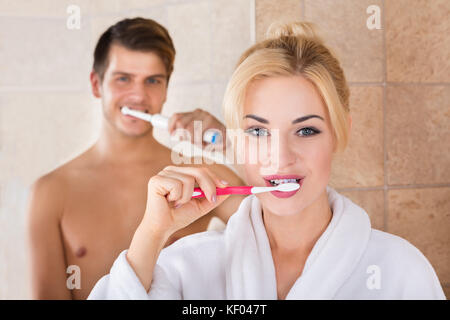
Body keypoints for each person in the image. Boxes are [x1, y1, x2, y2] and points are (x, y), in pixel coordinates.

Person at [87, 21, 445, 300]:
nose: (281, 156)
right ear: (236, 142)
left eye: (306, 131)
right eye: (258, 133)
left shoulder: (400, 271)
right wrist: (151, 234)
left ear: (339, 132)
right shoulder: (187, 268)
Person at [26, 17, 244, 300]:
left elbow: (274, 229)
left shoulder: (202, 173)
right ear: (96, 84)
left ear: (166, 89)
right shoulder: (50, 193)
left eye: (153, 80)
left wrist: (230, 143)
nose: (138, 95)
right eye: (123, 79)